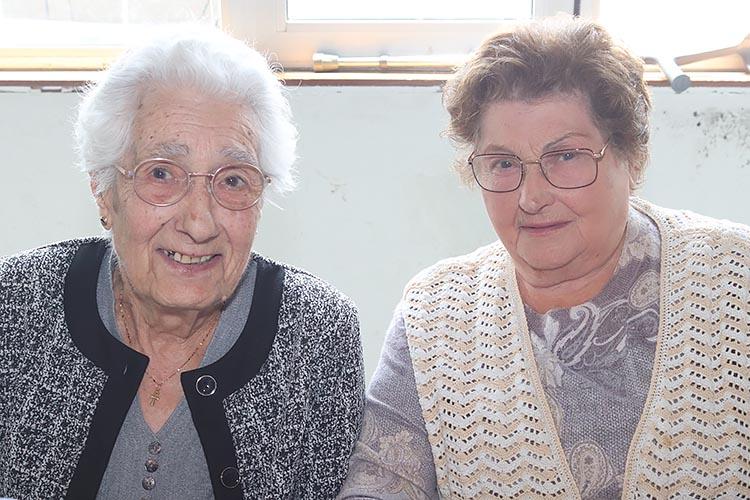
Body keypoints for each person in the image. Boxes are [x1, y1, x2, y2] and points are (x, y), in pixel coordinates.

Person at [339, 16, 750, 499]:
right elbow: (379, 481)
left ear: (631, 156)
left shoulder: (734, 279)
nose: (531, 197)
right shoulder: (435, 317)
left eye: (566, 156)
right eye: (504, 163)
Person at [0, 27, 363, 499]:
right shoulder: (18, 304)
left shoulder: (317, 334)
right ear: (103, 191)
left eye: (233, 180)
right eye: (161, 173)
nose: (199, 222)